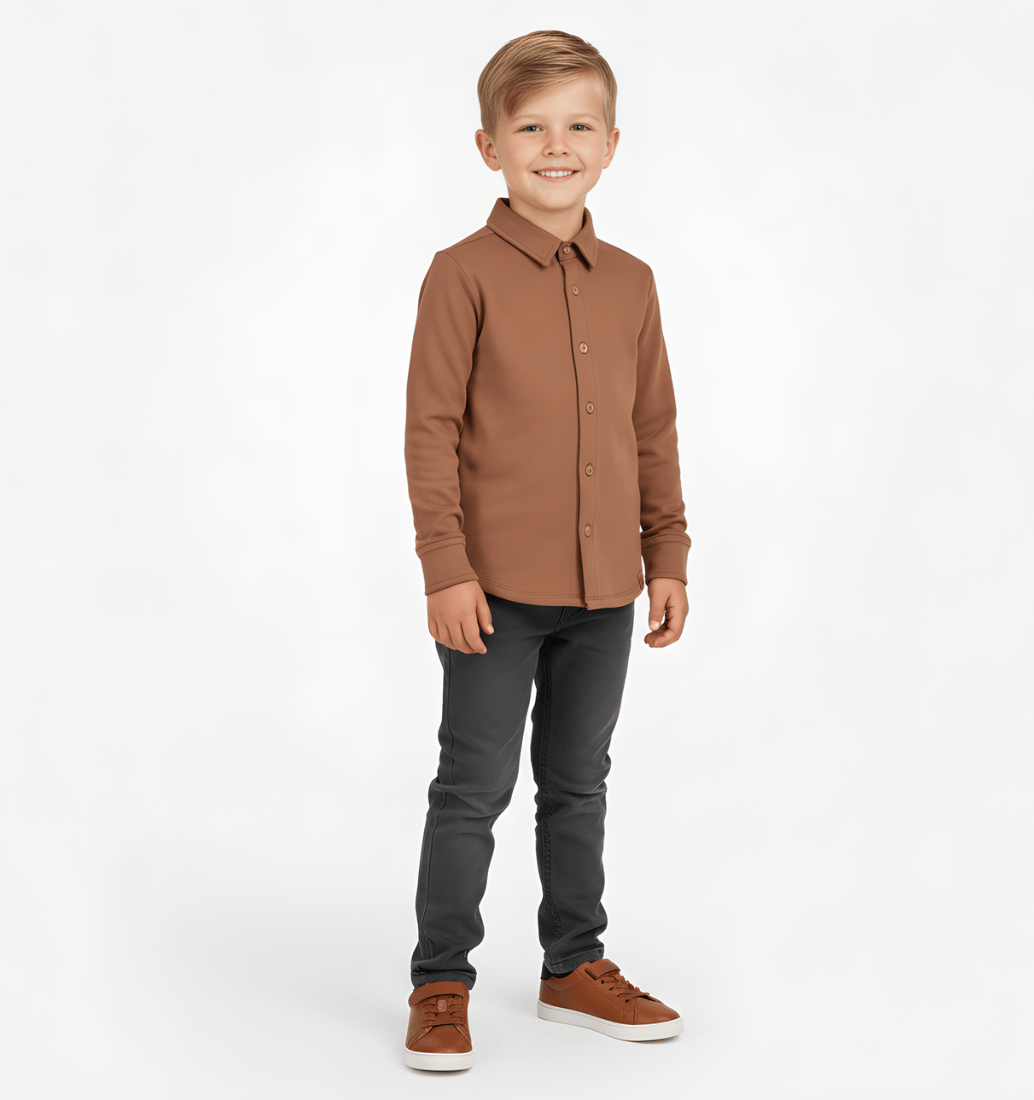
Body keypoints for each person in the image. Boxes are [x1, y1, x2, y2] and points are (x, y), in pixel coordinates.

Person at [401, 29, 692, 1072]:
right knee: (471, 788)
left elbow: (651, 428)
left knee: (578, 783)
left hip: (605, 589)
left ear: (611, 145)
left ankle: (574, 963)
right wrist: (444, 567)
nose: (555, 147)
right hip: (492, 592)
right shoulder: (460, 276)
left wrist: (668, 553)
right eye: (530, 128)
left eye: (577, 127)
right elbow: (429, 429)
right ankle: (440, 979)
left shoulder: (632, 283)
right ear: (490, 147)